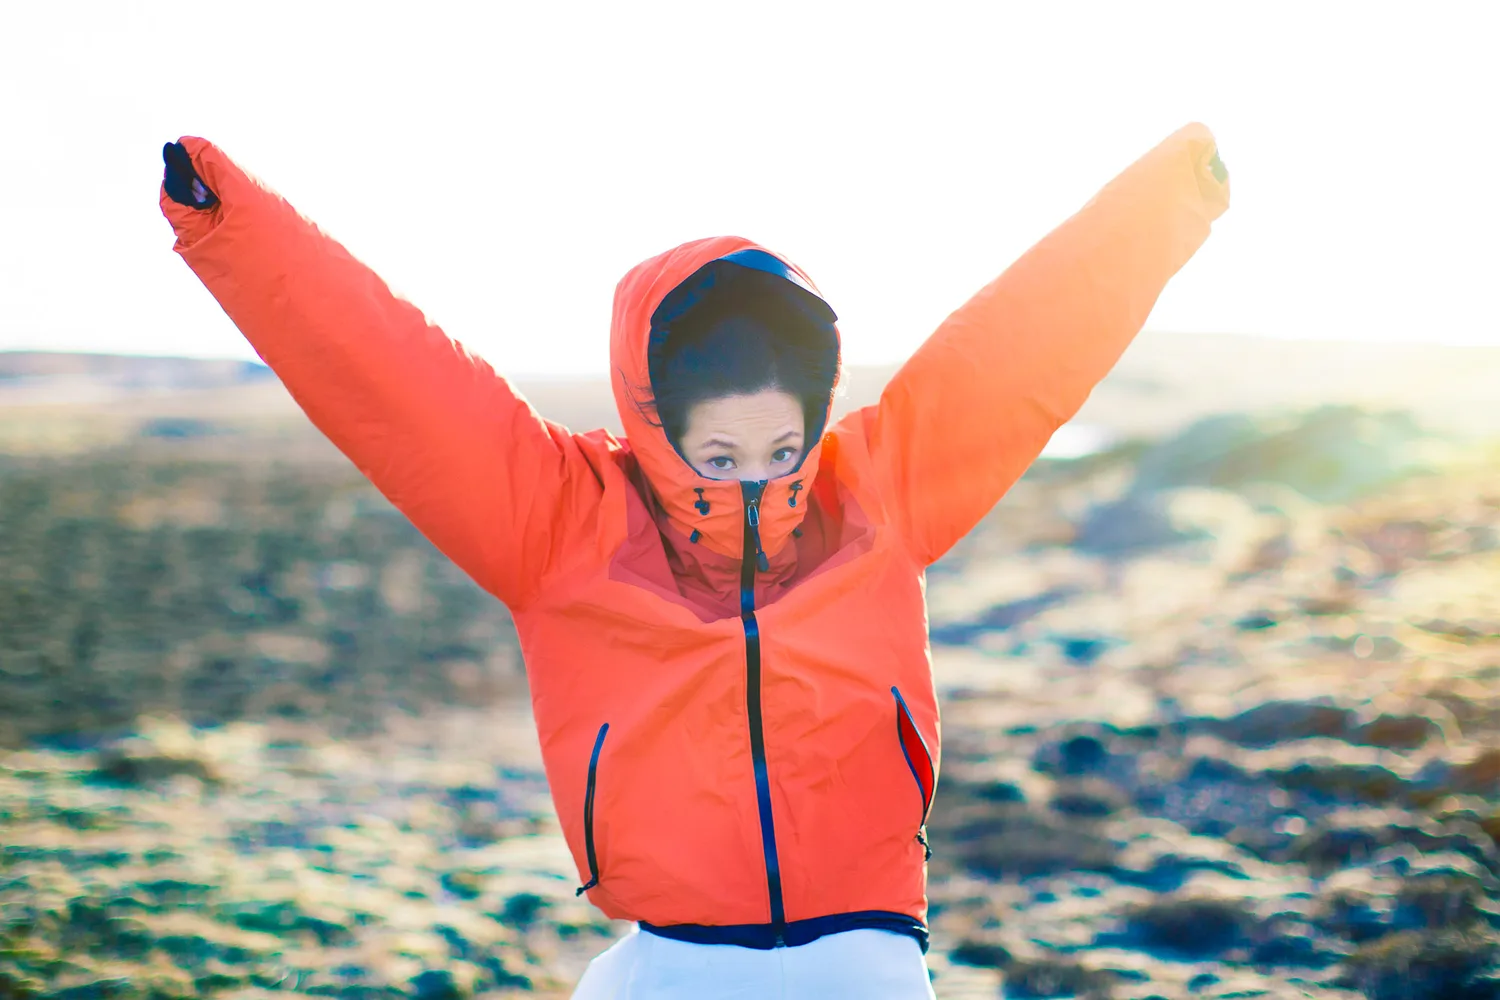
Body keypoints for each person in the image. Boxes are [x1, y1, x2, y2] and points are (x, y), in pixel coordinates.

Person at [159, 124, 1230, 998]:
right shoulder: (562, 526)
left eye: (782, 445)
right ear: (654, 420)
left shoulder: (878, 493)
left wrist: (1171, 199)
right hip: (669, 955)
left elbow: (1024, 345)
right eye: (718, 452)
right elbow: (390, 374)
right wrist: (232, 226)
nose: (758, 478)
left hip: (864, 950)